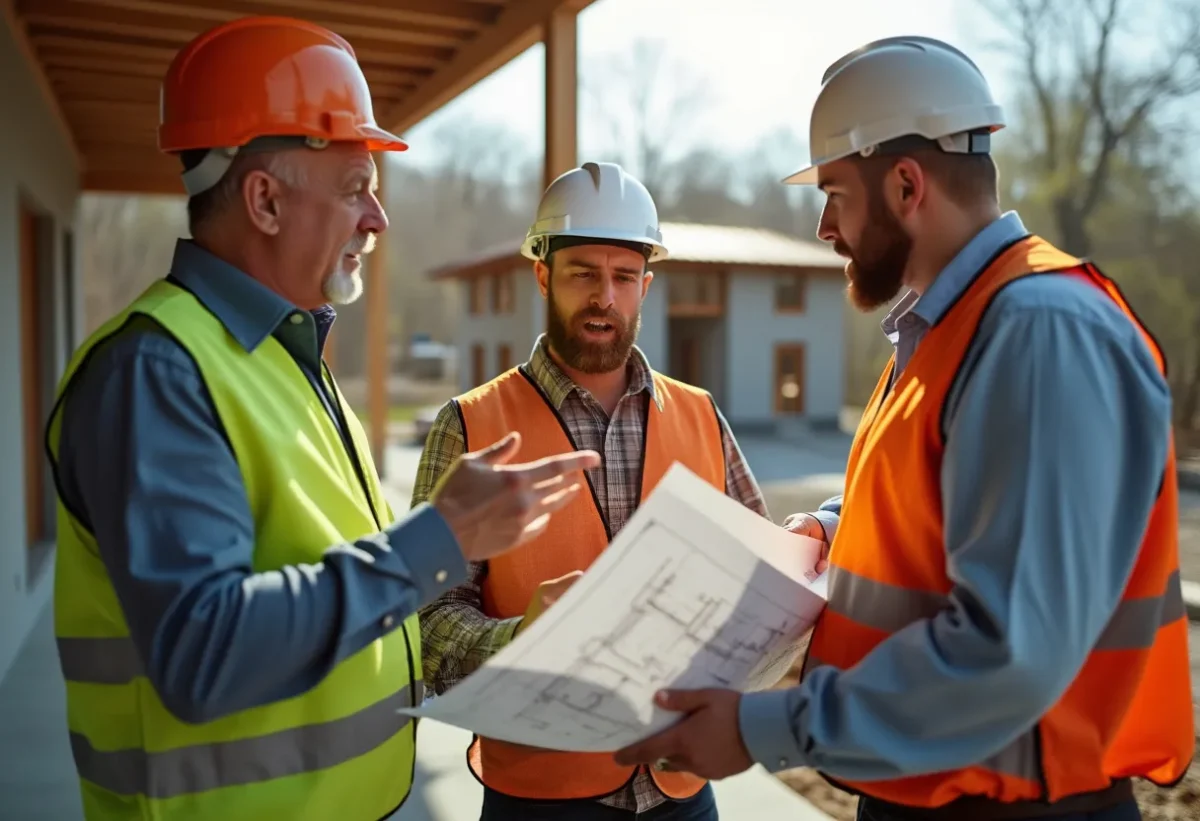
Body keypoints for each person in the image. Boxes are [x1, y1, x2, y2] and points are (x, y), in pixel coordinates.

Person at [612, 35, 1193, 821]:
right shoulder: (948, 327)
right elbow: (935, 515)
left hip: (1020, 802)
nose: (824, 226)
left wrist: (762, 727)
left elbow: (1010, 651)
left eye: (835, 195)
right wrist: (826, 531)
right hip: (934, 789)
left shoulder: (1038, 331)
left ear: (907, 184)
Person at [45, 17, 598, 821]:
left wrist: (514, 638)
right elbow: (206, 653)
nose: (378, 219)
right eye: (354, 189)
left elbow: (339, 590)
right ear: (265, 199)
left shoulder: (283, 355)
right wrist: (441, 537)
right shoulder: (156, 373)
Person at [412, 161, 771, 820]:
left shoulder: (702, 416)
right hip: (538, 798)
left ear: (646, 286)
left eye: (624, 277)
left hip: (680, 791)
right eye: (583, 274)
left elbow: (758, 582)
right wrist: (523, 639)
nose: (605, 295)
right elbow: (427, 626)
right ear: (543, 274)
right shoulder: (468, 425)